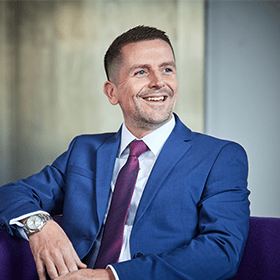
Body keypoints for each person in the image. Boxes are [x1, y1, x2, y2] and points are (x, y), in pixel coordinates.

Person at [0, 26, 250, 280]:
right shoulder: (84, 150)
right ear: (112, 92)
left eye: (167, 69)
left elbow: (221, 252)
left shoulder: (220, 157)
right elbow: (11, 194)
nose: (158, 82)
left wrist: (111, 277)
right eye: (141, 72)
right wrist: (41, 226)